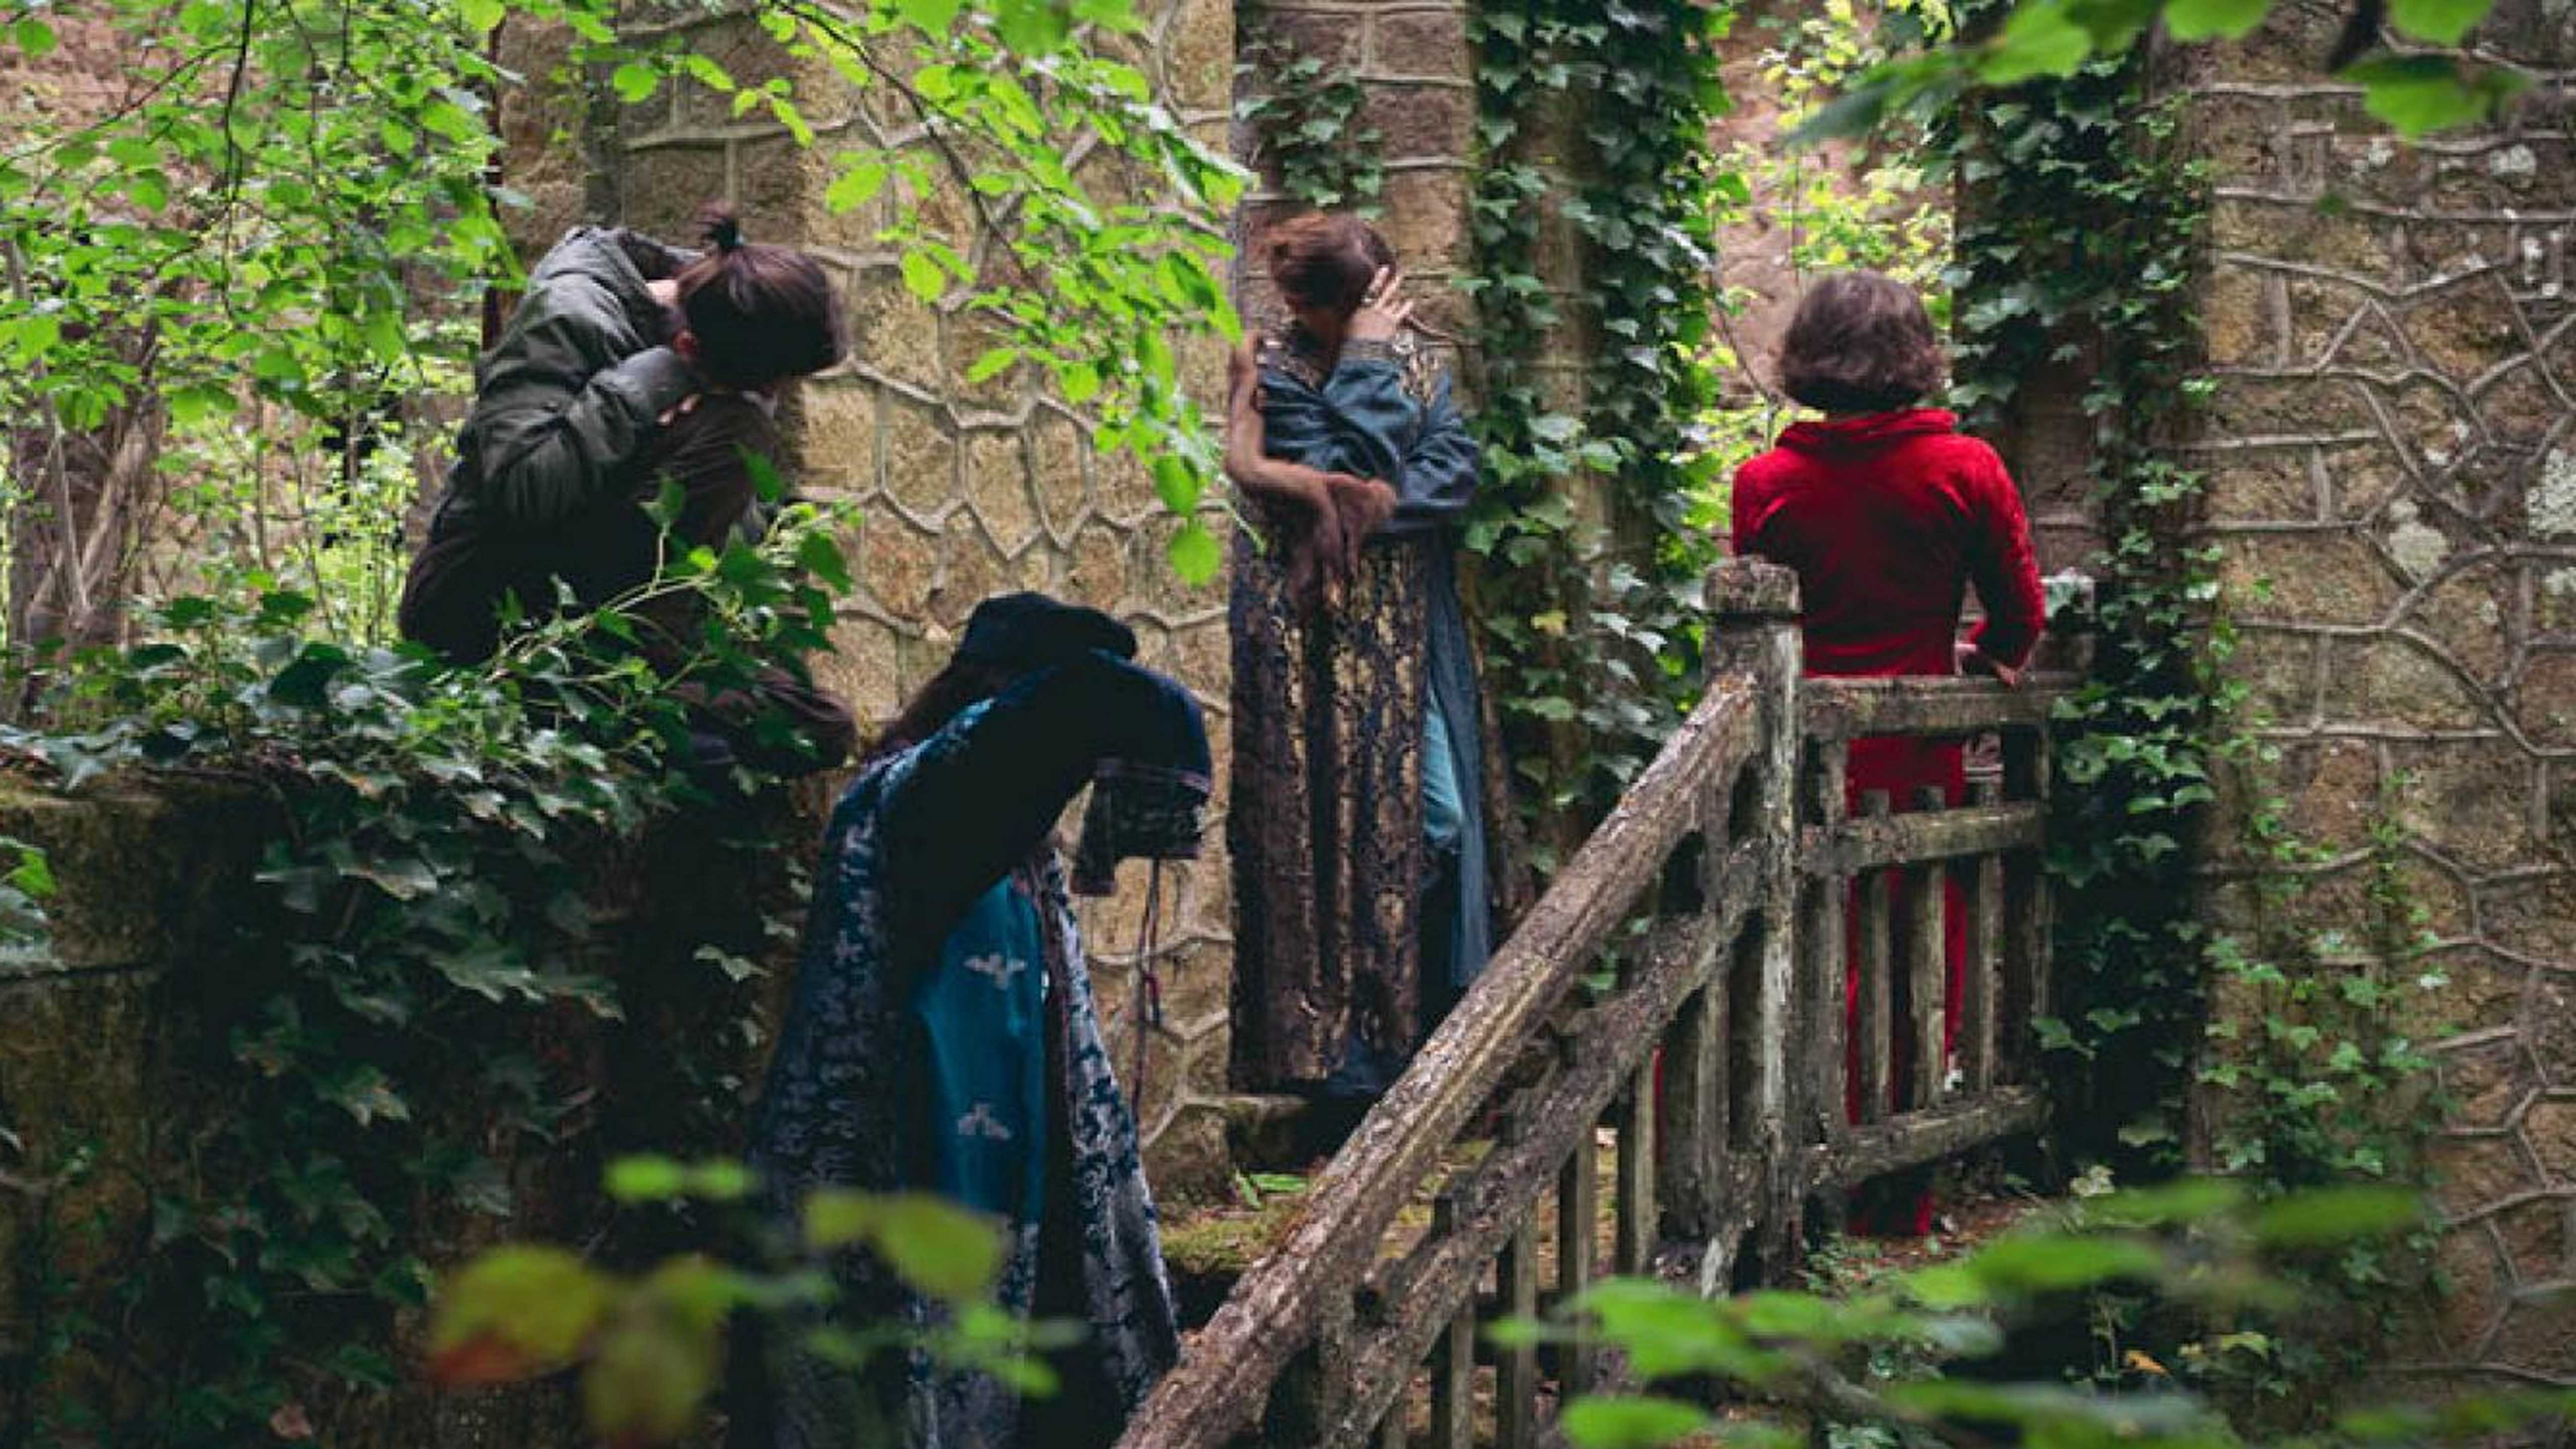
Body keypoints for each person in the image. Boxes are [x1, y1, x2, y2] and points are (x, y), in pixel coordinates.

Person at [744, 592, 1204, 1448]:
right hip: (902, 1160)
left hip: (1019, 1160)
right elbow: (1058, 717)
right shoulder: (911, 798)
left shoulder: (1004, 836)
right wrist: (1091, 694)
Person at [1728, 270, 2046, 1234]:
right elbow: (2019, 614)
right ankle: (1890, 1186)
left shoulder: (1768, 482)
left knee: (1790, 946)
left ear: (1808, 360)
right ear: (1916, 359)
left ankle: (1780, 1156)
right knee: (1915, 965)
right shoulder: (1967, 469)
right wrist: (1983, 662)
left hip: (1796, 758)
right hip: (1914, 756)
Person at [1224, 212, 1501, 1142]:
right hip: (1324, 651)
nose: (1388, 318)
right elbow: (1344, 473)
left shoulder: (1419, 362)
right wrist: (1371, 375)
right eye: (1368, 309)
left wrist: (1366, 501)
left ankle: (1408, 1027)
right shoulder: (1282, 372)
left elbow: (1451, 473)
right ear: (1315, 307)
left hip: (1415, 634)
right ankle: (1348, 1056)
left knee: (1441, 822)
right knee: (1334, 835)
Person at [399, 206, 854, 772]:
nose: (775, 400)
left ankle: (635, 703)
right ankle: (622, 703)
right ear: (689, 349)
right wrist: (652, 380)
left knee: (823, 729)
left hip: (619, 618)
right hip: (480, 598)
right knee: (738, 431)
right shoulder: (570, 313)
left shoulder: (733, 306)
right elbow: (522, 488)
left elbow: (717, 539)